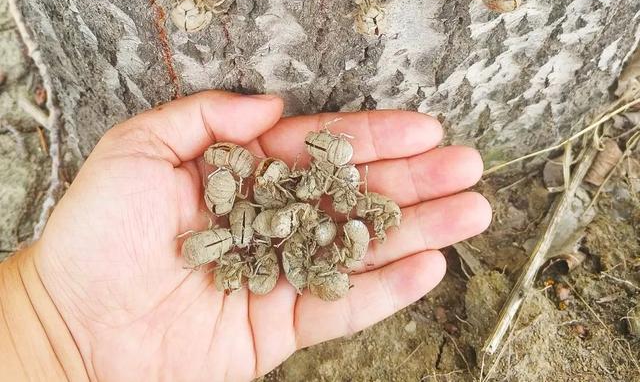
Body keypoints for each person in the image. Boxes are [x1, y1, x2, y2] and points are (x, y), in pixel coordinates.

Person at [0, 91, 491, 381]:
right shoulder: (257, 218)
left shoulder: (303, 218)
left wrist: (49, 325)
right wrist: (49, 321)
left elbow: (298, 228)